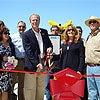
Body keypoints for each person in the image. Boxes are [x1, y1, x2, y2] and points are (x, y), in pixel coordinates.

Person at [22, 14, 53, 100]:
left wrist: (50, 48)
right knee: (30, 89)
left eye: (37, 20)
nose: (35, 22)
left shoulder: (44, 32)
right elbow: (28, 52)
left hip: (43, 62)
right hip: (32, 64)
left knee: (41, 88)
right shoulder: (26, 35)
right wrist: (37, 63)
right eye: (33, 20)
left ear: (39, 21)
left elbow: (49, 44)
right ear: (30, 22)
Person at [84, 16, 100, 100]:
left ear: (98, 24)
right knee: (91, 92)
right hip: (89, 68)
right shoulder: (88, 37)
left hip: (98, 67)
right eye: (90, 22)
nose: (92, 23)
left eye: (94, 21)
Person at [11, 21, 26, 100]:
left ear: (25, 28)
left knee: (21, 83)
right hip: (14, 62)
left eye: (23, 27)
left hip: (23, 62)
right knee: (13, 82)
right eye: (20, 26)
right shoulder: (12, 37)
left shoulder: (27, 37)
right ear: (17, 27)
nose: (21, 28)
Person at [0, 26, 16, 100]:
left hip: (7, 72)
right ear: (1, 34)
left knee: (5, 91)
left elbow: (14, 56)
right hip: (0, 72)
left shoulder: (11, 45)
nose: (7, 35)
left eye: (8, 33)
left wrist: (12, 60)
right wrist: (2, 58)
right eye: (5, 33)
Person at [46, 25, 61, 100]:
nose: (54, 31)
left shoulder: (62, 42)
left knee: (57, 87)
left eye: (56, 30)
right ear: (50, 31)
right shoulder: (47, 42)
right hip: (49, 68)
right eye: (53, 30)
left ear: (58, 31)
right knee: (48, 86)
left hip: (58, 68)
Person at [76, 26, 88, 100]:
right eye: (77, 31)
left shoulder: (85, 42)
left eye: (80, 31)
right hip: (75, 70)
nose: (79, 32)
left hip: (83, 70)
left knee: (84, 90)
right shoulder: (72, 43)